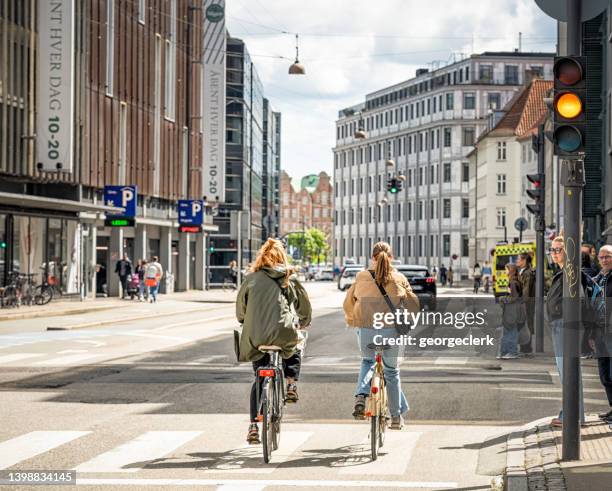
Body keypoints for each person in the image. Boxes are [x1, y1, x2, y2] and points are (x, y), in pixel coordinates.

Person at [236, 238, 312, 445]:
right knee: (296, 343)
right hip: (283, 332)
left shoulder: (251, 278)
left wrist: (246, 320)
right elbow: (303, 305)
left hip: (256, 336)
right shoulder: (288, 277)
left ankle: (253, 425)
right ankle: (290, 384)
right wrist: (304, 322)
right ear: (282, 256)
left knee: (259, 378)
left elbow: (240, 312)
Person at [343, 241, 420, 430]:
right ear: (391, 258)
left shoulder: (361, 276)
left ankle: (361, 396)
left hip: (368, 330)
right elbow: (413, 304)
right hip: (391, 331)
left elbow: (348, 302)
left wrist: (353, 320)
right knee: (392, 372)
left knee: (368, 362)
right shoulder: (399, 277)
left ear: (372, 258)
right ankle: (395, 417)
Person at [546, 236, 585, 426]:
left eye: (558, 250)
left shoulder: (570, 273)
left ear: (567, 252)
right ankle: (573, 414)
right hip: (559, 325)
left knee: (568, 372)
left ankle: (572, 417)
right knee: (567, 373)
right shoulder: (563, 272)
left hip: (565, 327)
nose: (554, 253)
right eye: (552, 250)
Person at [593, 245, 612, 423]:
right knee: (604, 374)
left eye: (608, 257)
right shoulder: (597, 279)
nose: (605, 260)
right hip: (599, 332)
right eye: (602, 257)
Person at [498, 263, 523, 360]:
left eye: (506, 269)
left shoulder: (512, 282)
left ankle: (511, 352)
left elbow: (513, 297)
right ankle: (506, 352)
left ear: (511, 270)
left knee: (510, 331)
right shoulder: (516, 281)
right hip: (515, 310)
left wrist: (502, 299)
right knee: (511, 331)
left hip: (512, 311)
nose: (505, 271)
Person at [517, 253, 535, 355]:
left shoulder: (527, 273)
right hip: (526, 302)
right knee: (525, 323)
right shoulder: (524, 271)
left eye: (519, 259)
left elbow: (526, 290)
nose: (517, 261)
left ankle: (526, 347)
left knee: (527, 323)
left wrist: (522, 302)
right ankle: (525, 347)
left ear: (524, 261)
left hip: (526, 303)